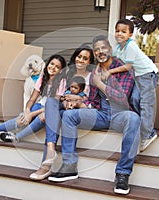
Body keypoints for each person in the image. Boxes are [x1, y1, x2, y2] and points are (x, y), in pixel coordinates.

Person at [47, 35, 140, 195]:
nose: (100, 52)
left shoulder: (124, 69)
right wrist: (77, 102)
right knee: (69, 116)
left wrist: (100, 84)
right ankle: (69, 165)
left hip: (119, 115)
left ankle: (123, 173)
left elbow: (123, 98)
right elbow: (91, 99)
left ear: (110, 50)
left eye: (103, 48)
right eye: (96, 49)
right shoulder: (95, 70)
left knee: (134, 118)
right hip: (101, 114)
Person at [29, 45, 95, 180]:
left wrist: (77, 99)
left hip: (80, 110)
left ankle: (45, 167)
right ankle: (50, 151)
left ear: (89, 62)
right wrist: (65, 100)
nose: (81, 60)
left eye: (85, 58)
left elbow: (92, 99)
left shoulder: (92, 77)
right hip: (64, 107)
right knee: (51, 103)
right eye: (79, 56)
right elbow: (61, 93)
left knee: (54, 115)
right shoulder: (68, 73)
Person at [0, 54, 67, 144]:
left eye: (57, 67)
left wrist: (31, 114)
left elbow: (52, 105)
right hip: (41, 105)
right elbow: (32, 99)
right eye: (52, 64)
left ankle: (17, 136)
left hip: (54, 107)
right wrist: (27, 111)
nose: (53, 68)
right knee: (21, 118)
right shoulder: (42, 79)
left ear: (61, 71)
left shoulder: (61, 82)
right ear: (47, 64)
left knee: (43, 117)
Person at [107, 19, 159, 152]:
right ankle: (140, 128)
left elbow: (127, 66)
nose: (119, 34)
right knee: (135, 99)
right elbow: (111, 59)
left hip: (147, 74)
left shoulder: (131, 46)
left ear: (130, 35)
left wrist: (110, 72)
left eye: (123, 32)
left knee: (146, 103)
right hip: (137, 76)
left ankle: (148, 134)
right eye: (117, 31)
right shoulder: (119, 47)